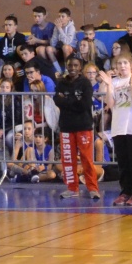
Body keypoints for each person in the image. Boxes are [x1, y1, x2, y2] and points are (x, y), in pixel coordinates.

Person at [54, 57, 102, 200]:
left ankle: (93, 188)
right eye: (70, 65)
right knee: (68, 160)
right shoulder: (61, 83)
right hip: (66, 126)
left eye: (75, 65)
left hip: (83, 126)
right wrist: (74, 102)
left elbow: (85, 104)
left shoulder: (85, 83)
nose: (73, 68)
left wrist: (66, 101)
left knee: (87, 159)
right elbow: (56, 100)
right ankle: (72, 188)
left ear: (80, 67)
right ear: (66, 66)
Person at [107, 54, 132, 206]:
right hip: (118, 127)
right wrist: (109, 85)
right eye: (119, 63)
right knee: (123, 162)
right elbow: (110, 104)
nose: (122, 66)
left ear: (130, 65)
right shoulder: (114, 82)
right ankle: (125, 191)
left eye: (125, 63)